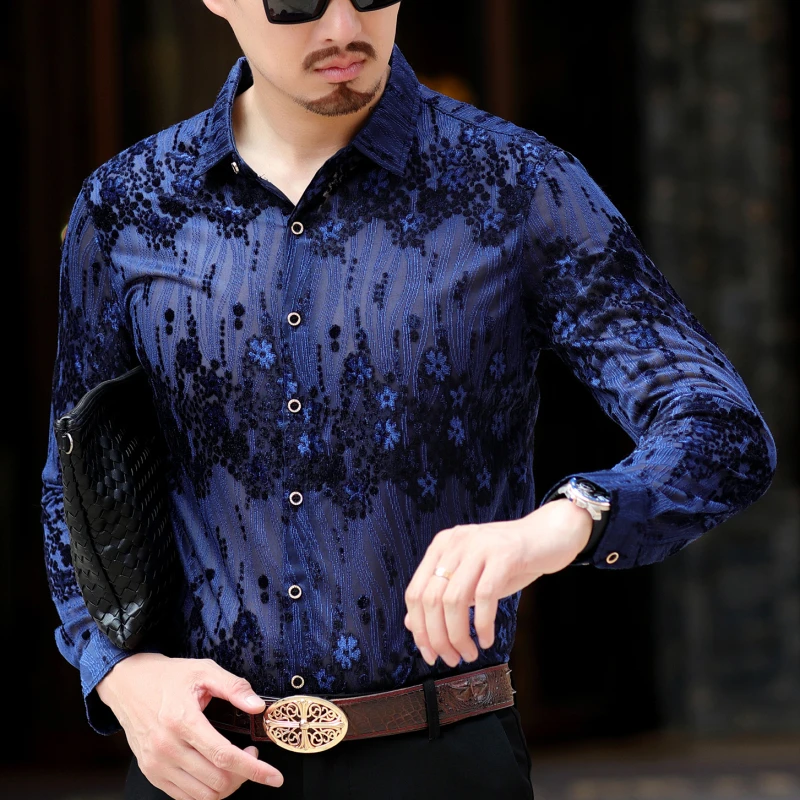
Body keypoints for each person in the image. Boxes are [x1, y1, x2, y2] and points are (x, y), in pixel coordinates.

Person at [40, 0, 777, 798]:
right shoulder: (127, 203)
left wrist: (565, 522)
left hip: (441, 761)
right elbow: (74, 483)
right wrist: (119, 672)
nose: (342, 28)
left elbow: (720, 427)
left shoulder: (517, 184)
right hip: (202, 770)